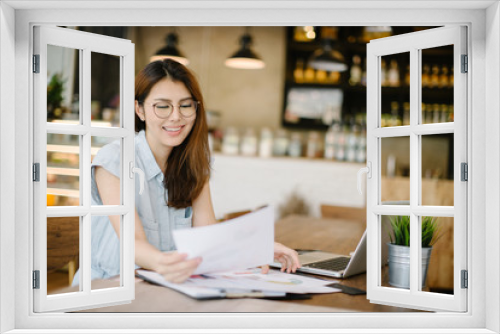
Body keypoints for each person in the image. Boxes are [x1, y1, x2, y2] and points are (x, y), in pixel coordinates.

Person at [72, 59, 300, 286]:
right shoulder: (114, 160)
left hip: (165, 287)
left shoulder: (193, 165)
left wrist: (256, 250)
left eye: (185, 105)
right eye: (162, 106)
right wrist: (166, 263)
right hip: (107, 289)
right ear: (139, 110)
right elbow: (134, 243)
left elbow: (208, 240)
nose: (175, 116)